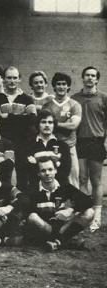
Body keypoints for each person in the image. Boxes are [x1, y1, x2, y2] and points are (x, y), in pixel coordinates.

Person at [26, 157, 93, 251]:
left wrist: (71, 210)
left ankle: (57, 242)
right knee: (33, 217)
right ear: (38, 173)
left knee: (89, 212)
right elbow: (29, 215)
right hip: (45, 228)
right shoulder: (33, 190)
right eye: (43, 170)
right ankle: (64, 242)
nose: (47, 173)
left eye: (50, 169)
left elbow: (88, 201)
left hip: (63, 228)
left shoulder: (65, 186)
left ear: (55, 170)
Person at [71, 66, 107, 232]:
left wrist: (104, 142)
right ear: (83, 78)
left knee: (96, 181)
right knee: (82, 179)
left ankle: (97, 218)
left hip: (96, 142)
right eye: (87, 75)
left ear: (97, 79)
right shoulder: (74, 98)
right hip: (79, 142)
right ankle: (86, 212)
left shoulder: (103, 98)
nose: (90, 78)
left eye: (93, 76)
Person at [0, 66, 37, 191]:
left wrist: (8, 116)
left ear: (19, 79)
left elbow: (32, 119)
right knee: (3, 174)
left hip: (22, 142)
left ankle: (20, 206)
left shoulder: (27, 99)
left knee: (22, 175)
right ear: (4, 79)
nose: (12, 81)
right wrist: (20, 117)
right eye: (9, 78)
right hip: (3, 142)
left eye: (15, 78)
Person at [42, 72, 81, 188]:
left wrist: (54, 123)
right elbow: (44, 126)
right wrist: (64, 124)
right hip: (50, 146)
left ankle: (74, 205)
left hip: (69, 145)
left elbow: (73, 125)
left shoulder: (74, 104)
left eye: (64, 84)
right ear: (54, 86)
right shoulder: (47, 105)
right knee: (51, 178)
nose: (61, 87)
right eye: (58, 84)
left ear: (68, 86)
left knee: (73, 178)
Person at [25, 109, 71, 187]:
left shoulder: (63, 146)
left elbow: (65, 171)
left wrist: (36, 162)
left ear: (54, 125)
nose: (47, 125)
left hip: (59, 186)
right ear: (38, 124)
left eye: (50, 122)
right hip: (35, 187)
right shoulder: (28, 145)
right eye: (43, 122)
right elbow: (26, 170)